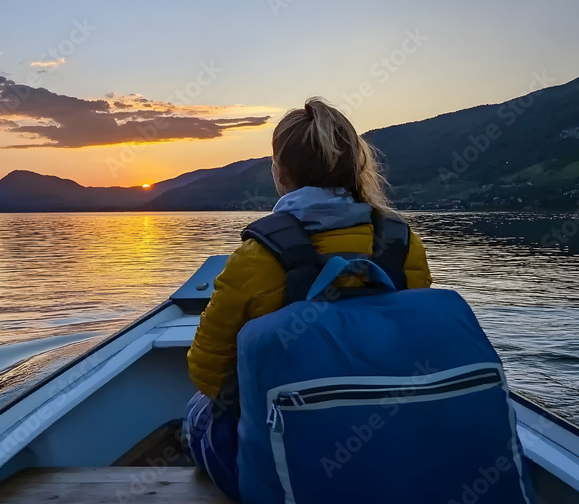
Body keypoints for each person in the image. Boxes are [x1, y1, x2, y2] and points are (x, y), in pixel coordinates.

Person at [182, 97, 433, 499]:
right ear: (357, 166)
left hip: (290, 463)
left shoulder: (258, 257)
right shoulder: (405, 246)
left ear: (280, 172)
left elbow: (208, 373)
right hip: (392, 443)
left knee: (196, 412)